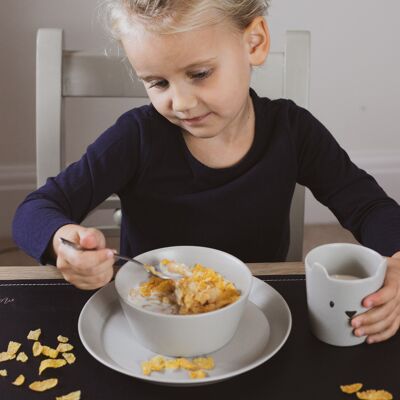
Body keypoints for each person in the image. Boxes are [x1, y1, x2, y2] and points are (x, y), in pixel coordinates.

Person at [12, 0, 400, 343]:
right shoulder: (136, 137)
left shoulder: (294, 131)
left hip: (255, 315)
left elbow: (369, 207)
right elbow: (36, 209)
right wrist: (61, 243)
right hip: (148, 319)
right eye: (157, 82)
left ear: (254, 42)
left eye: (199, 74)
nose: (180, 103)